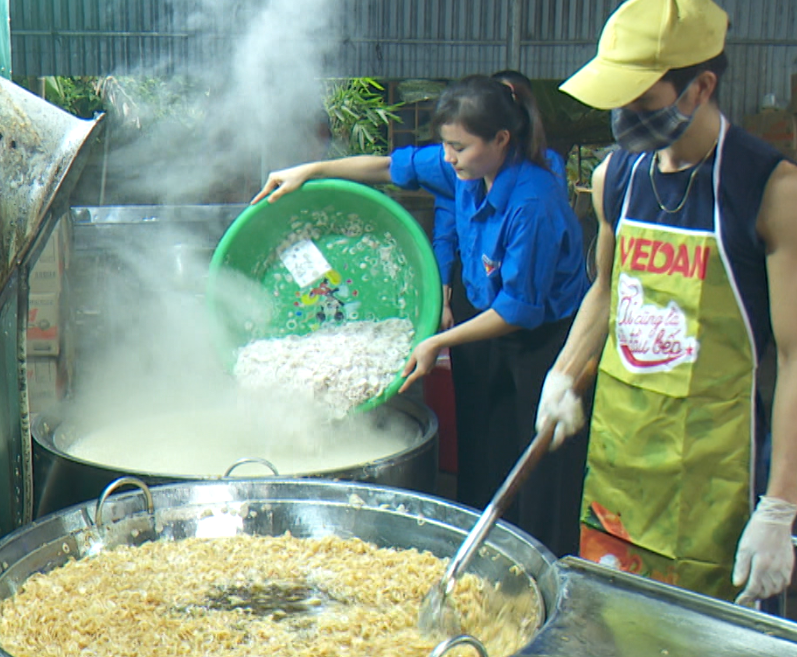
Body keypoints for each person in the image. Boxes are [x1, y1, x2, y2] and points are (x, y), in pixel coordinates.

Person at [534, 0, 797, 605]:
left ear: (701, 87)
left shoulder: (772, 190)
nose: (624, 114)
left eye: (642, 98)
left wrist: (779, 508)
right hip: (619, 459)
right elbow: (606, 293)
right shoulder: (618, 176)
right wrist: (562, 375)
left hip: (711, 473)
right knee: (610, 636)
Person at [251, 75, 590, 557]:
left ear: (500, 139)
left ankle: (543, 565)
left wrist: (433, 342)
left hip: (543, 337)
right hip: (485, 312)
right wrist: (310, 169)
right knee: (482, 443)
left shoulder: (533, 200)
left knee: (536, 459)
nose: (449, 158)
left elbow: (520, 308)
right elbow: (389, 166)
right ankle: (480, 553)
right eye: (445, 146)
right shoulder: (466, 169)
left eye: (459, 147)